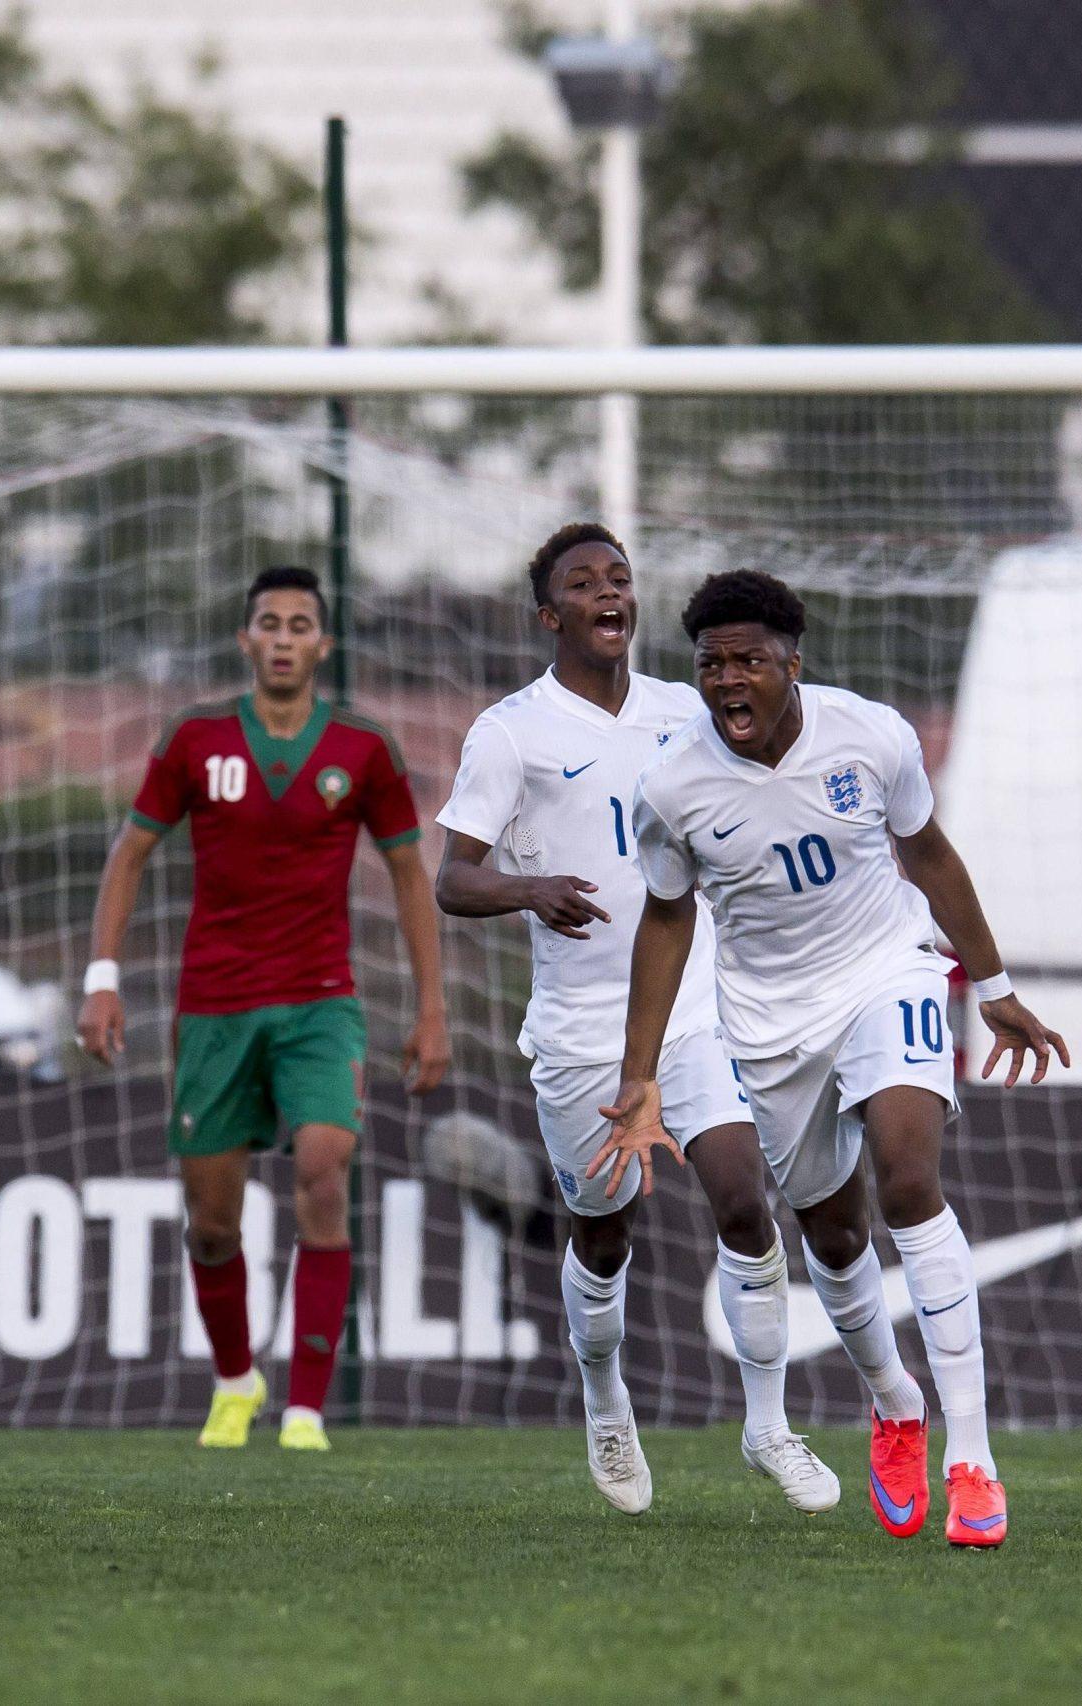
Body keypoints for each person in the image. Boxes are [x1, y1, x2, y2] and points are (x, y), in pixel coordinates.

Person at [597, 570, 1070, 1546]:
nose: (728, 680)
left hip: (887, 971)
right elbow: (666, 919)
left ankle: (973, 1459)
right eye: (711, 664)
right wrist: (638, 1076)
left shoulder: (872, 736)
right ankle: (894, 1401)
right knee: (837, 1234)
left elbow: (926, 853)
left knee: (909, 1179)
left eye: (750, 661)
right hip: (769, 1025)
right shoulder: (671, 784)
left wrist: (991, 984)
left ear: (793, 663)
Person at [436, 524, 840, 1516]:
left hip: (696, 1011)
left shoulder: (684, 712)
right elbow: (452, 878)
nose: (608, 592)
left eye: (618, 577)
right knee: (604, 1234)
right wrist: (527, 889)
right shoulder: (511, 732)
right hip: (581, 1031)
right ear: (550, 615)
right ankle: (605, 1398)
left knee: (743, 1197)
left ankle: (768, 1426)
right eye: (583, 583)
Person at [80, 564, 450, 1453]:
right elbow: (130, 853)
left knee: (324, 1169)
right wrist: (101, 978)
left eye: (300, 625)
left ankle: (307, 1411)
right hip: (213, 1009)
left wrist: (432, 1010)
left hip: (322, 1005)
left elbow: (410, 874)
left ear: (324, 645)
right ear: (246, 640)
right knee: (212, 1225)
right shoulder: (195, 739)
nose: (284, 639)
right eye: (270, 624)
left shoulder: (362, 748)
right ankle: (235, 1381)